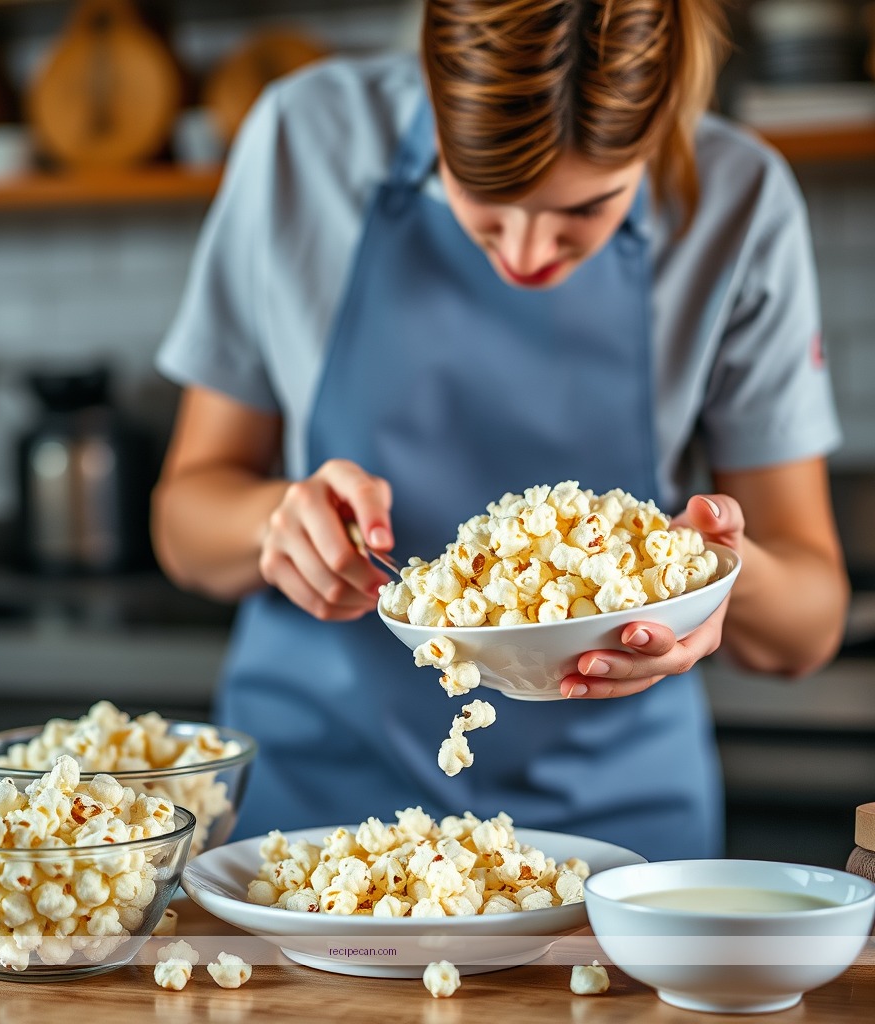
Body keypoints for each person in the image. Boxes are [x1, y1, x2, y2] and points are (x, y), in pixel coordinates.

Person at [151, 0, 849, 861]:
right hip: (316, 821)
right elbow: (185, 521)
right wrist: (274, 524)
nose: (525, 253)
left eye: (586, 210)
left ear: (663, 118)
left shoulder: (742, 200)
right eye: (484, 196)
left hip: (615, 834)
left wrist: (712, 580)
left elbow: (809, 623)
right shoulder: (304, 140)